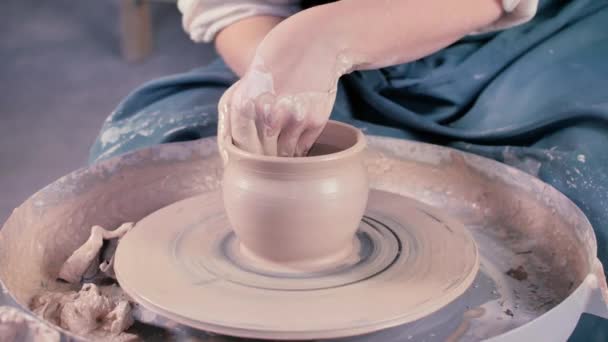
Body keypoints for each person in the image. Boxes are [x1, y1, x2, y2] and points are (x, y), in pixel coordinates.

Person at [89, 0, 608, 340]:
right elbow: (236, 8)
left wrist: (330, 36)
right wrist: (280, 75)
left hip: (528, 46)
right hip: (310, 47)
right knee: (156, 146)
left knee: (576, 199)